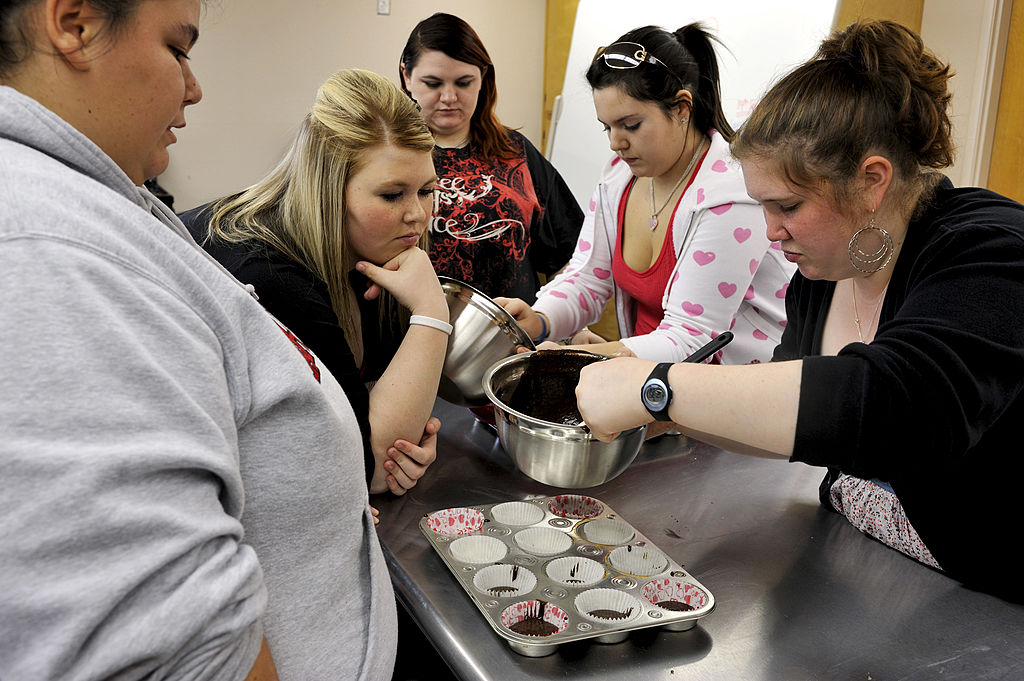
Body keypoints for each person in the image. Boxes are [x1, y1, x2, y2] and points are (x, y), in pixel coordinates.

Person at [1, 1, 395, 679]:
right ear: (74, 24)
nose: (194, 87)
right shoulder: (50, 249)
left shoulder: (98, 205)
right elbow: (178, 653)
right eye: (178, 50)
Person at [574, 20, 1024, 602]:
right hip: (869, 575)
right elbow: (797, 416)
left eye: (787, 205)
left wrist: (657, 388)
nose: (771, 231)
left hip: (983, 604)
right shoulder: (822, 272)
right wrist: (666, 418)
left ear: (871, 182)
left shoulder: (992, 251)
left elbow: (895, 406)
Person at [181, 69, 447, 498]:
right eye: (392, 195)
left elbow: (377, 416)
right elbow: (368, 469)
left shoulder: (371, 246)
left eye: (426, 190)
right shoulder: (268, 272)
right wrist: (432, 315)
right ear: (329, 189)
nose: (417, 214)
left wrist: (399, 434)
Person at [498, 24, 794, 365]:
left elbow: (690, 338)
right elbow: (587, 278)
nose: (615, 143)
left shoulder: (730, 197)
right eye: (607, 127)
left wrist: (578, 356)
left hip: (727, 392)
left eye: (631, 125)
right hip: (648, 376)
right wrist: (539, 320)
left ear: (682, 108)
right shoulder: (619, 177)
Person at [399, 12, 584, 303]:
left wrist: (561, 320)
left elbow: (572, 254)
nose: (449, 97)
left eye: (463, 82)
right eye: (433, 84)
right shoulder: (390, 155)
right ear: (407, 76)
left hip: (514, 335)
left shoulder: (515, 152)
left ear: (483, 78)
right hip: (410, 335)